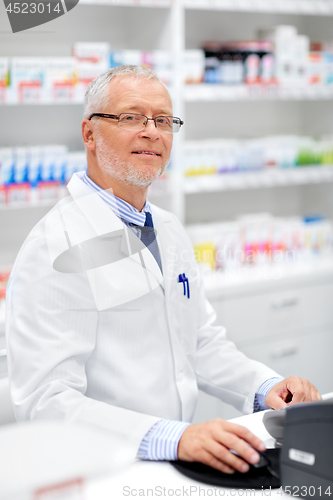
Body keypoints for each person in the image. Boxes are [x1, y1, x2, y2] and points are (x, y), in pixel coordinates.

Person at [6, 65, 321, 475]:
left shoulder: (167, 228)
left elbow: (199, 342)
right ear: (89, 134)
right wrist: (171, 437)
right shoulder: (54, 246)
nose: (152, 131)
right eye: (132, 117)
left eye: (163, 120)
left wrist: (264, 388)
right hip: (102, 468)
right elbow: (46, 401)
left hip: (174, 461)